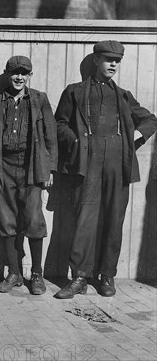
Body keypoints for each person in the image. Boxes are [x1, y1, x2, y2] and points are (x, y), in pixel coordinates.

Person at [54, 40, 157, 299]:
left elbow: (150, 119)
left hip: (117, 164)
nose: (113, 64)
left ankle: (107, 275)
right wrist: (76, 142)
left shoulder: (122, 95)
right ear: (95, 60)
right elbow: (59, 125)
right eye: (109, 59)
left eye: (117, 61)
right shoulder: (75, 92)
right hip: (87, 164)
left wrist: (133, 137)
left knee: (114, 220)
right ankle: (79, 277)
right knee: (84, 221)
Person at [0, 56, 57, 295]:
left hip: (31, 166)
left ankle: (36, 274)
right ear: (7, 74)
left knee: (34, 220)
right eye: (14, 72)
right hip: (3, 168)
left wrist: (49, 170)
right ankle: (13, 272)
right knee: (7, 220)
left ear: (29, 76)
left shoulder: (39, 99)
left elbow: (50, 137)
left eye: (23, 73)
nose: (19, 77)